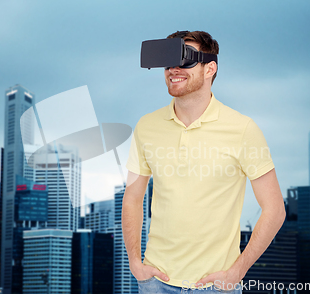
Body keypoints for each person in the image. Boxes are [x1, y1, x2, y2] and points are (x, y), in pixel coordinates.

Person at [122, 30, 286, 293]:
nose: (173, 68)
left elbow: (275, 209)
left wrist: (237, 271)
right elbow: (132, 197)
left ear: (210, 68)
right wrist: (134, 263)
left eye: (185, 58)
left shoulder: (242, 129)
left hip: (215, 286)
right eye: (168, 60)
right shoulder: (146, 126)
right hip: (155, 283)